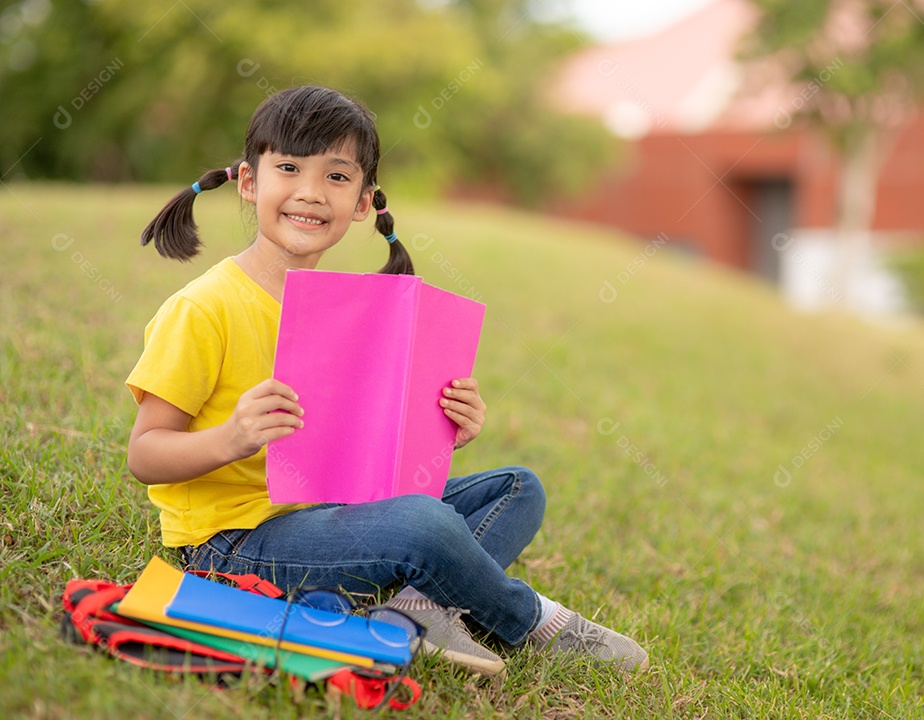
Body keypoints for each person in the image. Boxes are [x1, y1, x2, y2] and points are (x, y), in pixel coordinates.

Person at [125, 85, 648, 677]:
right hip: (236, 541)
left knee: (517, 490)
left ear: (363, 202)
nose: (310, 193)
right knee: (425, 526)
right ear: (249, 181)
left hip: (331, 508)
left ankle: (413, 611)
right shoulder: (204, 308)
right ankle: (530, 620)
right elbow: (145, 454)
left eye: (337, 176)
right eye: (290, 168)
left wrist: (445, 426)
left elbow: (358, 442)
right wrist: (233, 437)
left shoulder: (350, 311)